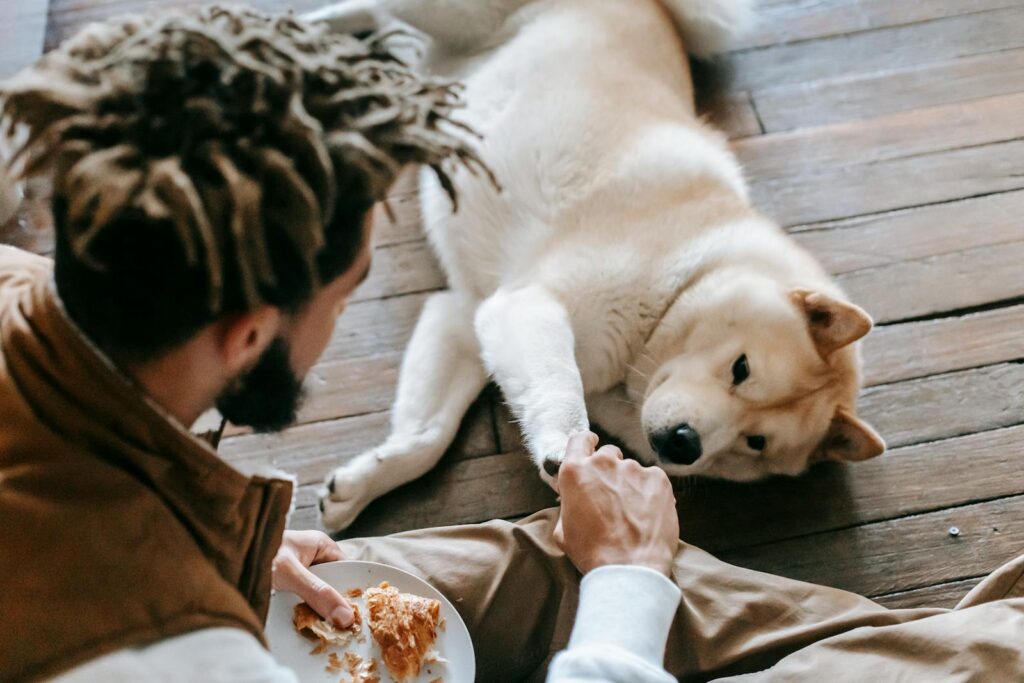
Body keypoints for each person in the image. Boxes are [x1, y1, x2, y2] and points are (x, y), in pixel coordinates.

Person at [3, 6, 1024, 683]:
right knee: (632, 573)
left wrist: (226, 548)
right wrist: (625, 581)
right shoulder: (167, 653)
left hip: (219, 569)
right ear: (248, 333)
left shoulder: (23, 290)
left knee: (555, 552)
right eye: (352, 287)